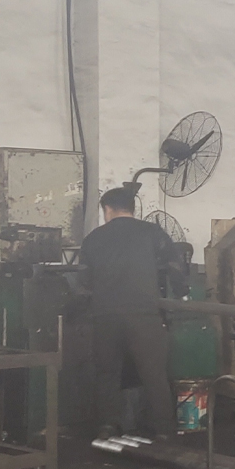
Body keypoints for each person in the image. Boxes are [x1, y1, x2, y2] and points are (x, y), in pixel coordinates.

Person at [79, 188, 187, 439]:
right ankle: (163, 430)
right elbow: (175, 264)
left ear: (107, 209)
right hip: (144, 314)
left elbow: (83, 282)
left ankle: (108, 426)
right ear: (133, 208)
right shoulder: (152, 232)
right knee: (154, 374)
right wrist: (181, 292)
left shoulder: (93, 238)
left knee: (107, 373)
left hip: (105, 316)